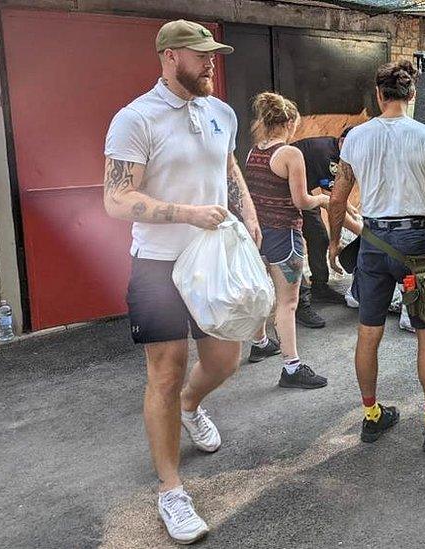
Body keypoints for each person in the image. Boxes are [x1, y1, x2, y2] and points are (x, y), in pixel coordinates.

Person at [102, 20, 260, 544]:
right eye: (200, 55)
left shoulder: (221, 111)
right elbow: (116, 198)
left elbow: (229, 162)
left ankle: (193, 406)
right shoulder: (135, 118)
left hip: (212, 260)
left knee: (225, 359)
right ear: (170, 57)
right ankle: (172, 491)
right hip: (158, 265)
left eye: (213, 53)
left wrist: (248, 207)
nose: (211, 62)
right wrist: (185, 212)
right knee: (165, 374)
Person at [327, 60, 425, 453]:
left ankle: (372, 417)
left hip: (375, 242)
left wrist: (332, 243)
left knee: (369, 332)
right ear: (412, 95)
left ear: (379, 96)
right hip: (416, 246)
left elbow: (338, 198)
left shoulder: (356, 138)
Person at [244, 91, 330, 391]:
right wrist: (324, 200)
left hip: (259, 236)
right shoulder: (291, 155)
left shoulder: (253, 151)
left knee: (263, 294)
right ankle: (292, 368)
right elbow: (302, 201)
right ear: (289, 122)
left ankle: (259, 343)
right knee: (288, 303)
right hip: (285, 237)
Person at [292, 127, 363, 328]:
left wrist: (352, 210)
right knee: (293, 249)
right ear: (342, 141)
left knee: (319, 237)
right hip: (284, 195)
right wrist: (363, 233)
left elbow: (334, 193)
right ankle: (299, 303)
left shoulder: (337, 152)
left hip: (303, 192)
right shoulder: (327, 154)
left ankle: (320, 287)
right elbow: (333, 204)